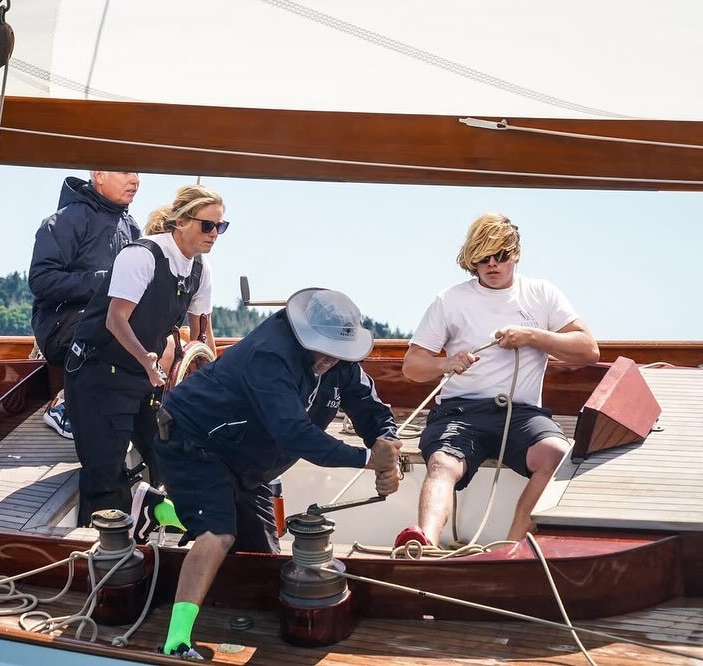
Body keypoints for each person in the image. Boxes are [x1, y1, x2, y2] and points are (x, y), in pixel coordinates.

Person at [141, 288, 402, 658]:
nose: (330, 359)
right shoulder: (270, 355)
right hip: (194, 440)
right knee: (218, 534)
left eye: (339, 352)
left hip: (250, 462)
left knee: (262, 561)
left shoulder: (341, 362)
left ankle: (158, 510)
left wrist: (388, 450)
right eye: (324, 349)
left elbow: (373, 412)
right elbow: (295, 434)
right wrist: (366, 459)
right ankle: (176, 642)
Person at [398, 213, 599, 548]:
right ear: (471, 260)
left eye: (501, 255)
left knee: (557, 456)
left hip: (521, 415)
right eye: (483, 257)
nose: (492, 264)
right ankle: (424, 544)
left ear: (515, 255)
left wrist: (533, 336)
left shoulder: (542, 293)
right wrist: (447, 363)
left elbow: (588, 349)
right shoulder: (450, 300)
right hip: (460, 412)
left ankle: (510, 550)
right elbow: (412, 367)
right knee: (442, 464)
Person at [64, 184, 224, 527]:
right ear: (181, 222)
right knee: (105, 474)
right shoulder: (142, 256)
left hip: (146, 377)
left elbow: (201, 336)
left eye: (220, 227)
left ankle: (156, 522)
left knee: (172, 455)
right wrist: (146, 361)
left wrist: (217, 388)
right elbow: (115, 319)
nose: (214, 234)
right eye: (207, 225)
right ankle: (103, 548)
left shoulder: (200, 269)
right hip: (98, 374)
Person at [28, 171, 141, 440]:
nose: (135, 180)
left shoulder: (131, 227)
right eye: (126, 172)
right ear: (99, 175)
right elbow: (41, 280)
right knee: (109, 324)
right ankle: (65, 404)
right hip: (62, 326)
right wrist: (104, 282)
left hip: (107, 321)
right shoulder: (64, 221)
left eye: (138, 173)